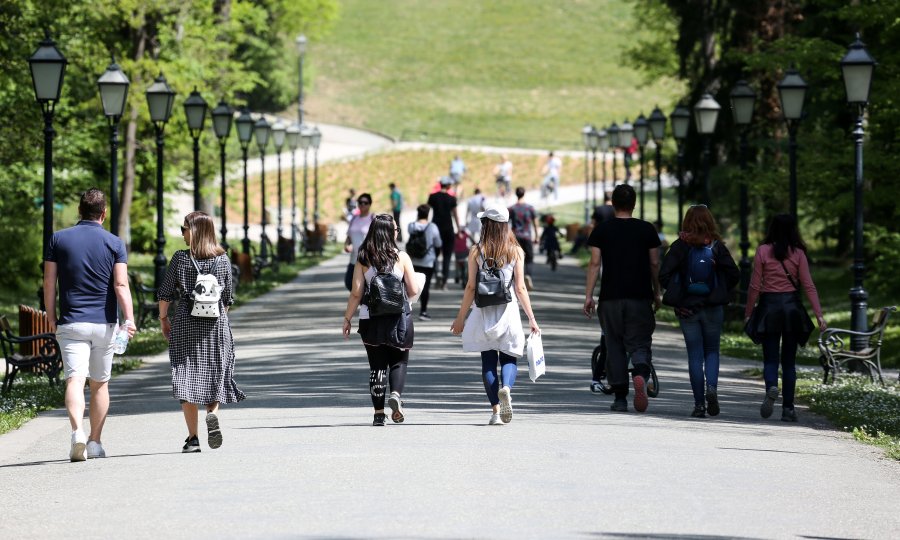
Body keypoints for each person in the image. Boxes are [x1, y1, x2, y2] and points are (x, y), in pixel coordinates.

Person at [43, 188, 136, 462]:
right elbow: (121, 284)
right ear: (104, 214)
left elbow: (49, 282)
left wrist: (51, 316)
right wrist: (129, 319)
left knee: (74, 379)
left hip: (72, 322)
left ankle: (77, 433)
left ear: (79, 210)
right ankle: (95, 442)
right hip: (104, 324)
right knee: (99, 385)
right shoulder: (114, 243)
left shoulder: (58, 239)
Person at [157, 211, 244, 453]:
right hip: (216, 325)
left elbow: (165, 293)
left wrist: (163, 319)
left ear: (194, 231)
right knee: (214, 371)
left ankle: (193, 438)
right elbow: (227, 299)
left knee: (185, 375)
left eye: (184, 229)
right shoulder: (223, 259)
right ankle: (212, 413)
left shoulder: (180, 258)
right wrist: (216, 317)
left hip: (186, 322)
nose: (182, 233)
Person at [450, 203, 540, 425]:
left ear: (486, 225)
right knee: (509, 357)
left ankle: (495, 412)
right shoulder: (515, 251)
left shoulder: (476, 250)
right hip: (508, 311)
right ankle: (506, 388)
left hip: (483, 311)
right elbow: (520, 288)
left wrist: (461, 318)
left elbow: (471, 287)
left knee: (488, 361)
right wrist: (532, 318)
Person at [583, 184, 661, 413]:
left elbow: (594, 263)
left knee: (614, 344)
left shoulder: (602, 230)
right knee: (640, 341)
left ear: (613, 204)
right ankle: (640, 372)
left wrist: (589, 296)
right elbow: (654, 263)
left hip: (610, 297)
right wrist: (657, 292)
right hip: (640, 296)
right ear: (634, 204)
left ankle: (620, 397)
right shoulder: (647, 230)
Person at [659, 205, 740, 418]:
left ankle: (699, 405)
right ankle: (711, 387)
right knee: (712, 351)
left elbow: (664, 275)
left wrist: (680, 296)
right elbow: (734, 275)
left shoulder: (680, 246)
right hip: (713, 308)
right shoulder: (716, 246)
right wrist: (717, 288)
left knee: (695, 355)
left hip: (688, 309)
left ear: (686, 222)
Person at [745, 214, 826, 422]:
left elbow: (755, 285)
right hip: (791, 309)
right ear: (793, 230)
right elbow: (808, 285)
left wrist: (748, 313)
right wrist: (819, 315)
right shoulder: (798, 253)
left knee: (770, 358)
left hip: (769, 309)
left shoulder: (762, 250)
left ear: (772, 229)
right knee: (789, 362)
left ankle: (772, 387)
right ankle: (788, 409)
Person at [343, 214, 421, 426]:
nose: (397, 232)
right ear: (389, 233)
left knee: (376, 366)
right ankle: (395, 395)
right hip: (399, 317)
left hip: (371, 318)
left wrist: (347, 318)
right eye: (395, 229)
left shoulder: (363, 258)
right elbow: (413, 290)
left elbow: (356, 293)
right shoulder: (401, 257)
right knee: (399, 361)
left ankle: (378, 414)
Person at [407, 204, 442, 321]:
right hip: (428, 261)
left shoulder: (411, 226)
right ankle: (423, 311)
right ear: (428, 214)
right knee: (425, 287)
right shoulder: (432, 227)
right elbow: (438, 244)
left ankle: (407, 309)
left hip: (414, 260)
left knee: (410, 285)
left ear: (418, 213)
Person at [427, 177, 460, 289]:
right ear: (449, 186)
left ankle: (437, 276)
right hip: (448, 229)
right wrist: (459, 229)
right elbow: (455, 215)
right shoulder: (452, 199)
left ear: (440, 184)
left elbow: (427, 211)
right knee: (447, 256)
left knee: (434, 255)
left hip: (435, 229)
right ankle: (444, 282)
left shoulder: (432, 197)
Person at [508, 186, 539, 291]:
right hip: (527, 236)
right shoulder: (530, 208)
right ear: (524, 193)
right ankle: (528, 275)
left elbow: (506, 223)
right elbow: (535, 223)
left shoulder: (512, 209)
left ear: (516, 194)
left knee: (515, 259)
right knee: (529, 258)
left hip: (515, 237)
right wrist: (537, 236)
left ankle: (517, 280)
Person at [344, 193, 375, 290]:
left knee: (365, 286)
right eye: (360, 202)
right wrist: (346, 245)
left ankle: (362, 299)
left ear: (370, 204)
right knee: (349, 282)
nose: (362, 204)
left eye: (365, 203)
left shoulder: (373, 219)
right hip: (354, 258)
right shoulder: (354, 218)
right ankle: (361, 299)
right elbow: (349, 235)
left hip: (368, 260)